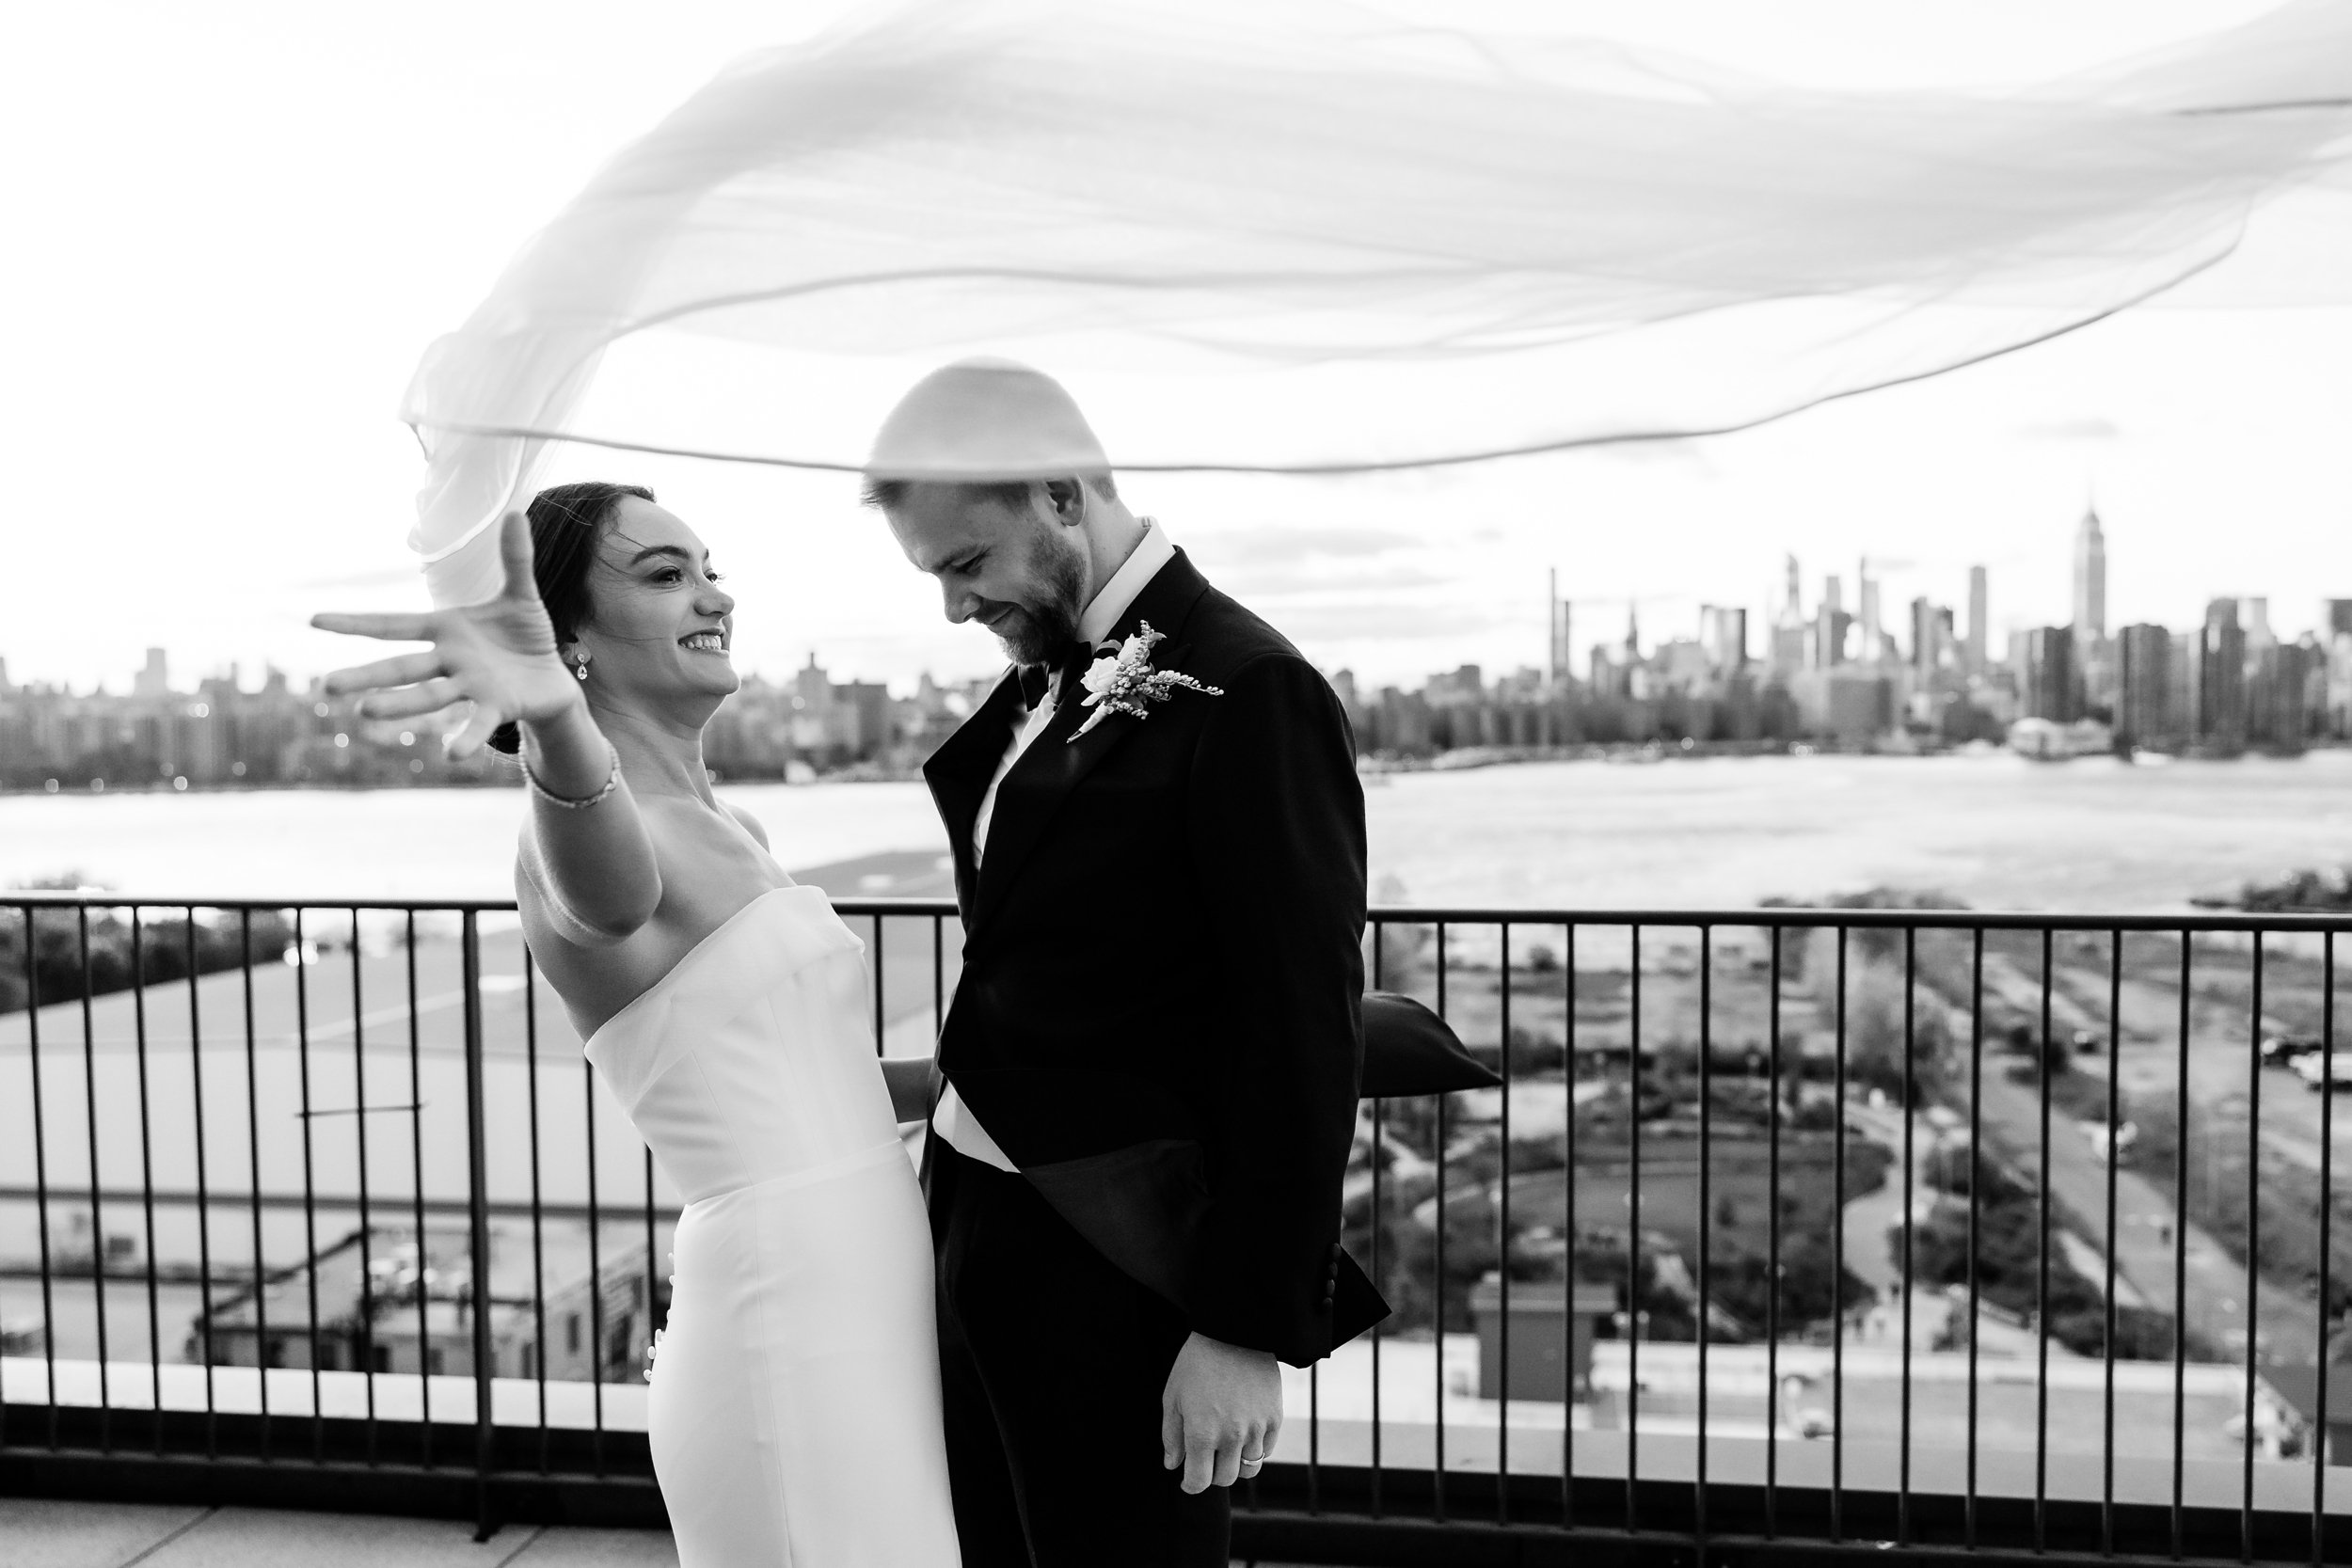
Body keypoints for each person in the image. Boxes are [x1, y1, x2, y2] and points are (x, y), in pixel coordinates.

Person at [311, 482, 959, 1566]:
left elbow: (813, 1075)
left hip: (871, 1289)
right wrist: (555, 729)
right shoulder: (571, 834)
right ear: (564, 641)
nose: (712, 593)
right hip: (782, 1309)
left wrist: (974, 1077)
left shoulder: (734, 823)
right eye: (663, 574)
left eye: (707, 564)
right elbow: (607, 896)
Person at [865, 359, 1389, 1567]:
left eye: (963, 565)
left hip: (1121, 1264)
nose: (953, 606)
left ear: (1059, 493)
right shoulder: (1037, 685)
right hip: (974, 1221)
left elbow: (1300, 1029)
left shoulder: (1252, 687)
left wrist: (1240, 1326)